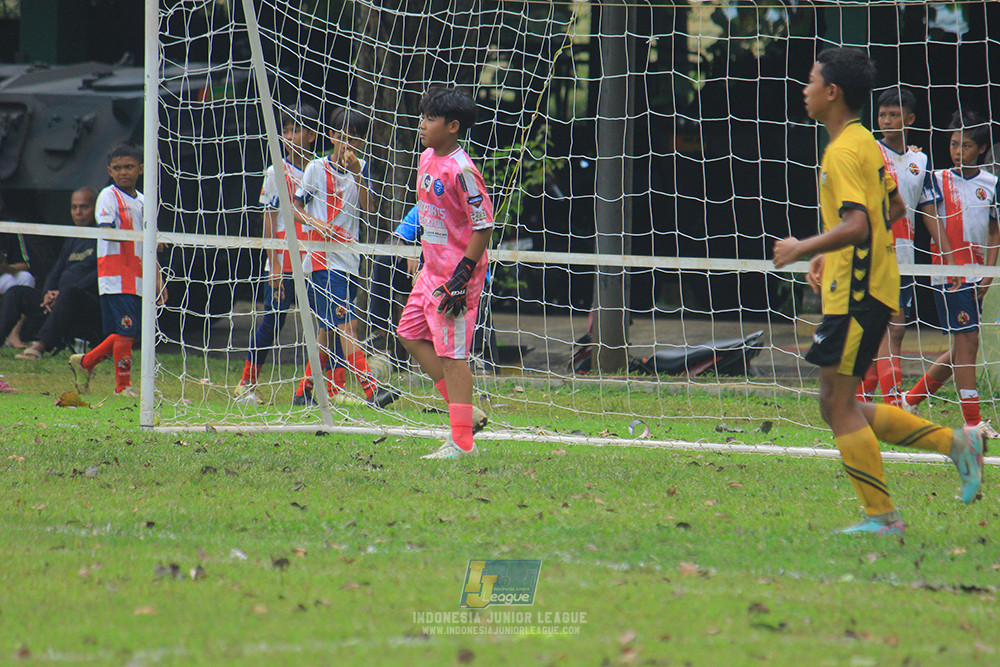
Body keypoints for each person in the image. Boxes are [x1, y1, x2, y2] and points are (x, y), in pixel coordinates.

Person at [773, 47, 984, 534]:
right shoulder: (865, 143)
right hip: (868, 285)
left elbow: (859, 223)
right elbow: (891, 209)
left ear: (832, 92)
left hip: (857, 292)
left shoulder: (844, 151)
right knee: (838, 401)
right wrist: (831, 250)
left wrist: (805, 246)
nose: (804, 90)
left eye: (811, 81)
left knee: (837, 404)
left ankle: (885, 515)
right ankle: (956, 444)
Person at [397, 86, 494, 459]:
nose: (422, 124)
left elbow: (483, 225)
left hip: (456, 280)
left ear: (453, 126)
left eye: (431, 118)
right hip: (430, 272)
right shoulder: (425, 158)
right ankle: (463, 412)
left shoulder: (463, 171)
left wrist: (463, 275)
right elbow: (430, 213)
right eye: (423, 117)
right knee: (409, 334)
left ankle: (462, 443)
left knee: (453, 357)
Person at [900, 110, 1000, 434]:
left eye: (966, 145)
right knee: (968, 342)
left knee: (961, 348)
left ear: (981, 149)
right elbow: (927, 215)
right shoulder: (936, 178)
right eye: (954, 144)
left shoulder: (991, 184)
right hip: (949, 274)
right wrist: (910, 154)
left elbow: (995, 231)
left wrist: (989, 272)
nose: (958, 151)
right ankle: (973, 422)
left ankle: (910, 400)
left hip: (977, 273)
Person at [293, 106, 396, 407]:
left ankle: (303, 392)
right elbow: (295, 207)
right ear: (331, 136)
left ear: (361, 142)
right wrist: (317, 223)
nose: (346, 144)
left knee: (327, 330)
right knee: (347, 326)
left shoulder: (360, 168)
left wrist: (358, 174)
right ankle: (372, 390)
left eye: (353, 138)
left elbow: (370, 208)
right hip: (324, 261)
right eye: (341, 137)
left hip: (349, 261)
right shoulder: (316, 168)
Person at [856, 89, 954, 405]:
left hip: (904, 255)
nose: (886, 121)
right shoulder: (869, 152)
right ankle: (878, 400)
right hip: (871, 252)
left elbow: (929, 210)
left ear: (909, 119)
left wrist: (949, 256)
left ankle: (876, 401)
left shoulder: (919, 161)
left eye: (894, 115)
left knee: (895, 330)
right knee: (875, 329)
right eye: (882, 115)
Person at [235, 106, 319, 405]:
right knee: (274, 319)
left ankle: (317, 389)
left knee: (325, 322)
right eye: (286, 131)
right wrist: (273, 264)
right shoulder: (276, 171)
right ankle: (246, 383)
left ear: (311, 135)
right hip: (284, 257)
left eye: (296, 130)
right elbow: (269, 218)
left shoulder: (319, 170)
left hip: (315, 256)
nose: (290, 136)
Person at [68, 143, 165, 398]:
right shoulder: (108, 196)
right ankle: (122, 387)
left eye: (129, 167)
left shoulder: (143, 201)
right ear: (110, 171)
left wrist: (158, 278)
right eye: (118, 168)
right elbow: (107, 231)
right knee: (126, 331)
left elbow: (150, 247)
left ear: (141, 169)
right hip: (116, 275)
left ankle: (85, 362)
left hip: (139, 276)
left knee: (126, 333)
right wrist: (143, 236)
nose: (123, 172)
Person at [4, 188, 101, 358]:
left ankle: (40, 346)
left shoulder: (104, 237)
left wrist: (61, 294)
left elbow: (99, 274)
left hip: (85, 304)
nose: (78, 213)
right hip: (56, 301)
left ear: (96, 208)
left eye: (84, 207)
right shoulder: (73, 238)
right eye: (74, 207)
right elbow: (56, 271)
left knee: (69, 293)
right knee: (16, 293)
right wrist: (47, 293)